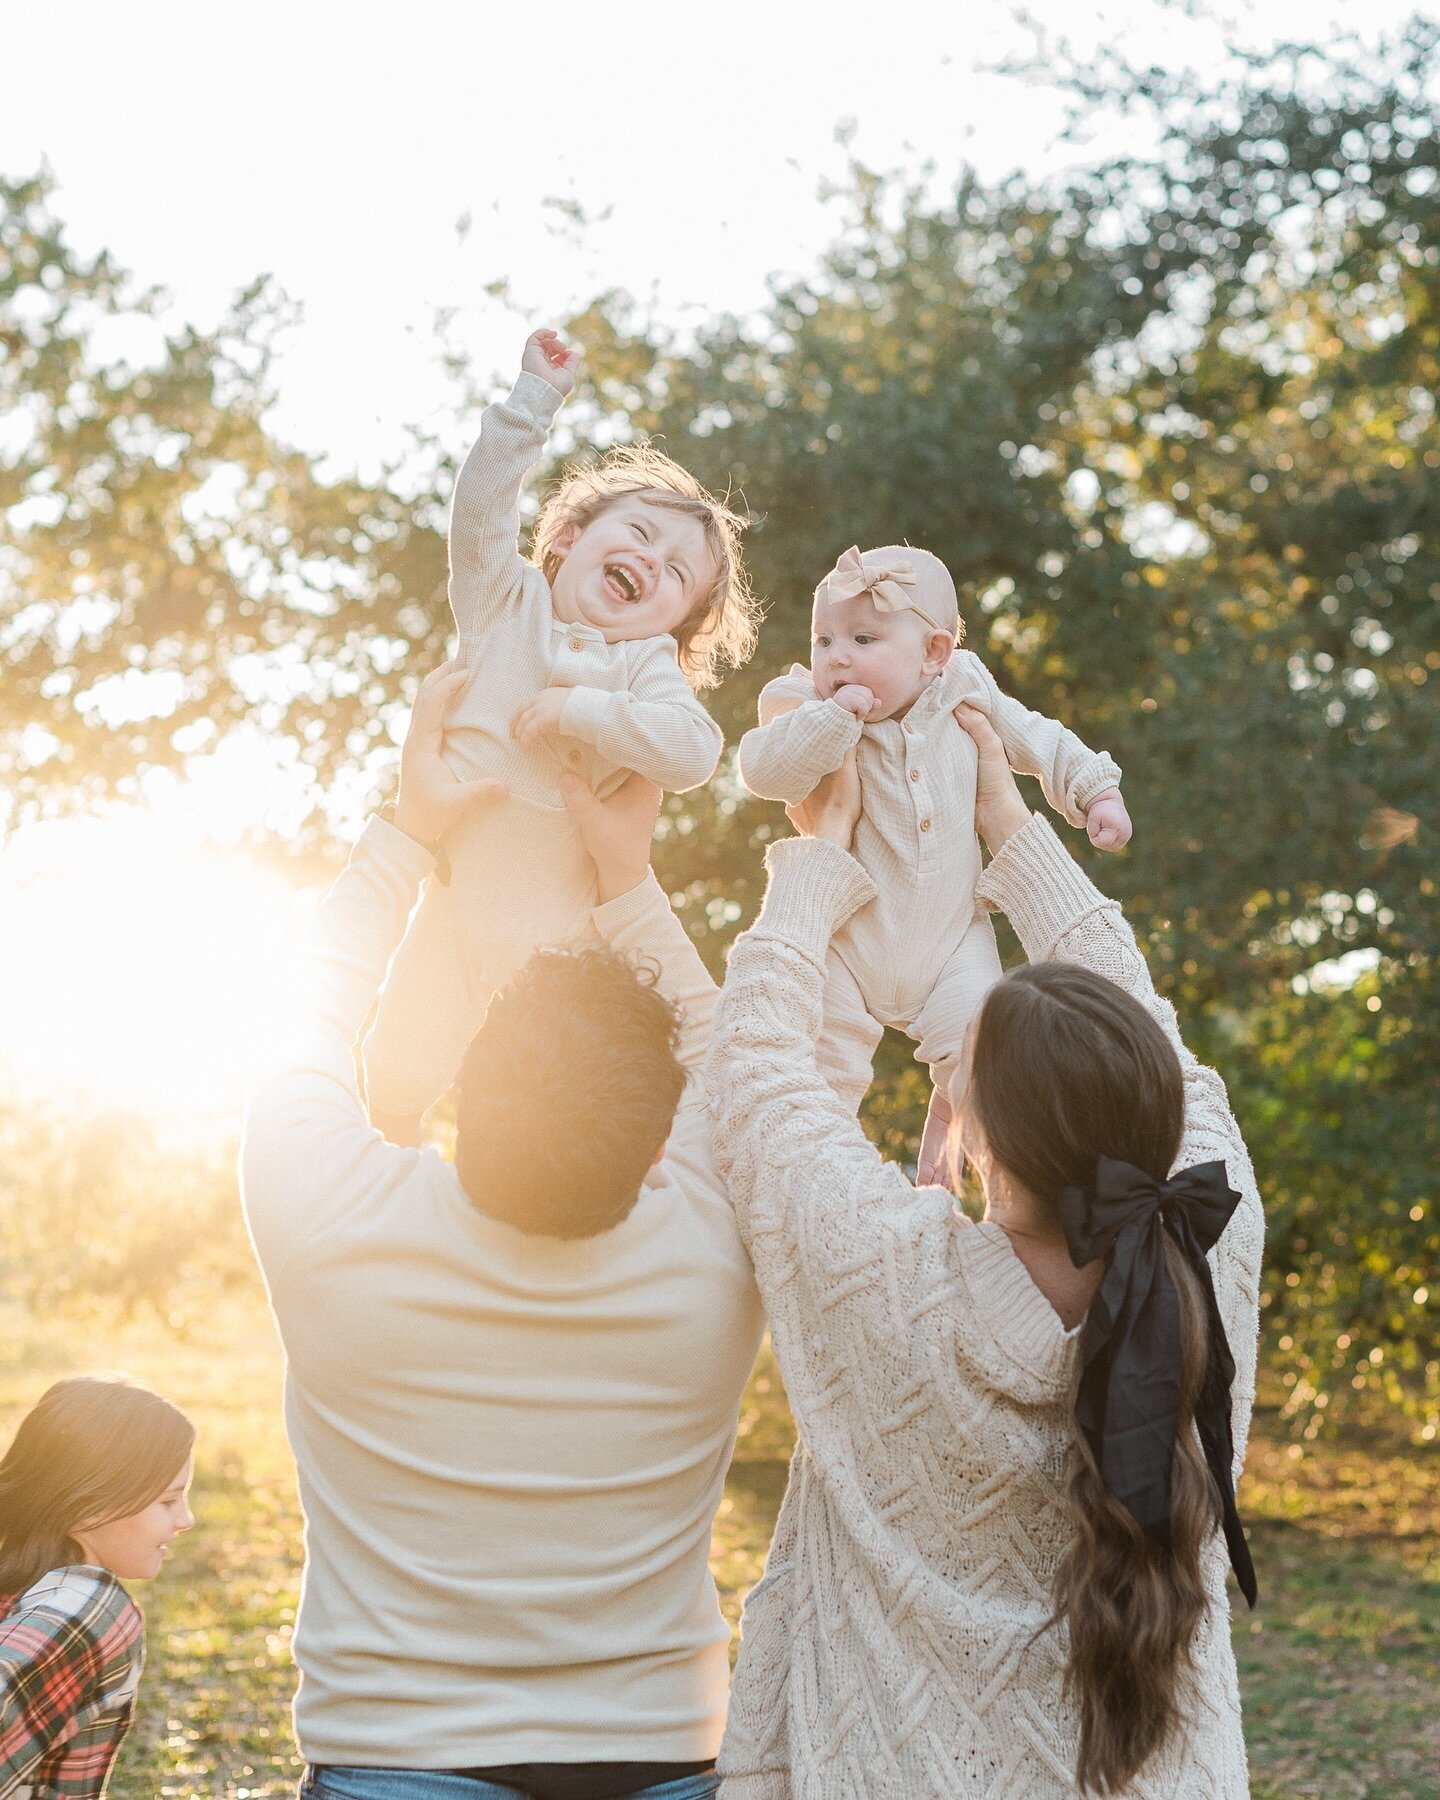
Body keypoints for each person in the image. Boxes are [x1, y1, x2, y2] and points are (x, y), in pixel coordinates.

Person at [704, 706, 1262, 1797]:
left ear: (980, 1130)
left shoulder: (882, 1275)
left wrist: (821, 860)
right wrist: (1007, 817)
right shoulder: (1213, 1235)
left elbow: (759, 1079)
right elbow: (1146, 1021)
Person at [241, 662, 764, 1800]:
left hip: (396, 1757)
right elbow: (746, 1072)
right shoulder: (721, 1251)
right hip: (657, 1756)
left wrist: (408, 830)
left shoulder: (331, 1218)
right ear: (661, 1130)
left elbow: (312, 1008)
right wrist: (628, 879)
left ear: (468, 1079)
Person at [362, 326, 759, 1146]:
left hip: (557, 953)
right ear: (571, 536)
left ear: (675, 626)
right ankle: (387, 1175)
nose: (652, 563)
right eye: (640, 536)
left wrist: (584, 712)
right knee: (394, 1077)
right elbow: (478, 510)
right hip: (452, 907)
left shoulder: (642, 670)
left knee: (542, 1127)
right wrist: (531, 403)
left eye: (677, 575)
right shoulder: (505, 603)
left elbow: (692, 755)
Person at [737, 543, 1129, 1183]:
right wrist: (831, 719)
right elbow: (765, 770)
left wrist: (1092, 789)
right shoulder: (801, 699)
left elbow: (1036, 736)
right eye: (824, 638)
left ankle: (987, 1167)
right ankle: (807, 1184)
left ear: (934, 654)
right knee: (822, 1073)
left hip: (953, 940)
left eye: (863, 638)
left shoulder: (965, 687)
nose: (837, 656)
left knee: (988, 1065)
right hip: (848, 940)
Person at [0, 1376, 195, 1798]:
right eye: (168, 1501)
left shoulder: (36, 1586)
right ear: (89, 1507)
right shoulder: (88, 1607)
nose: (186, 1520)